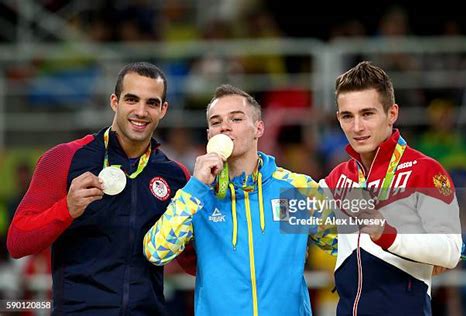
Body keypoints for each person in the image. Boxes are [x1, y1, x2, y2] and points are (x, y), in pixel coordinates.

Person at [7, 62, 194, 315]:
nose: (141, 111)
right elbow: (17, 242)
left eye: (151, 103)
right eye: (131, 99)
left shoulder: (175, 176)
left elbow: (192, 262)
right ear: (114, 102)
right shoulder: (64, 159)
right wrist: (67, 209)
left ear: (163, 110)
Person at [143, 84, 337, 315]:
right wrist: (196, 187)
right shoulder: (198, 196)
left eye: (236, 119)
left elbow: (354, 243)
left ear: (258, 128)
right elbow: (156, 252)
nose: (224, 126)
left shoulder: (292, 190)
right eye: (216, 122)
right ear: (208, 135)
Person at [320, 61, 463, 315]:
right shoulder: (337, 179)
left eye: (367, 114)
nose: (357, 127)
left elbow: (451, 250)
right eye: (347, 116)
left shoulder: (424, 171)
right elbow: (282, 213)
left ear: (392, 113)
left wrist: (389, 235)